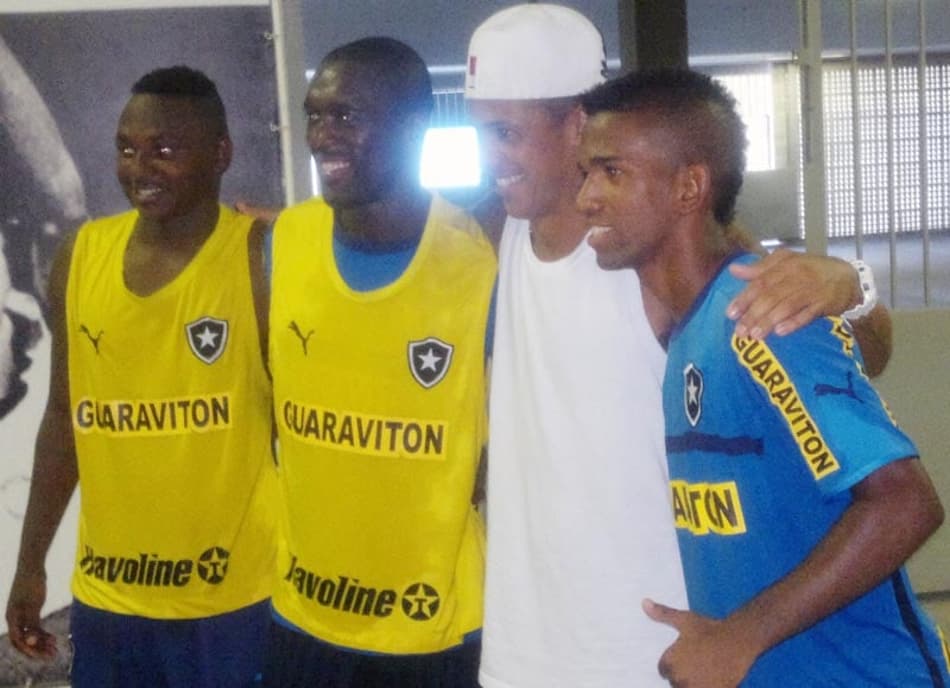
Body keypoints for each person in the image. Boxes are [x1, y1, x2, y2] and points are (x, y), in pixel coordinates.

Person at [464, 4, 895, 688]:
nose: (489, 156)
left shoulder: (651, 251)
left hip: (649, 653)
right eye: (480, 130)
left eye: (506, 133)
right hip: (523, 653)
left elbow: (860, 347)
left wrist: (850, 282)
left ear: (577, 124)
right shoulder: (502, 228)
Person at [577, 66, 950, 687]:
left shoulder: (762, 319)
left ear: (689, 187)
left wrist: (740, 638)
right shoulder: (694, 329)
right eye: (585, 173)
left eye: (612, 172)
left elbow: (906, 503)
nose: (588, 196)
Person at [5, 66, 277, 687]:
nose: (139, 167)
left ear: (221, 154)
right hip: (111, 603)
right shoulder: (81, 255)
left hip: (232, 604)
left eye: (164, 150)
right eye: (127, 149)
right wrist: (30, 564)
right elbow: (63, 418)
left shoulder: (259, 257)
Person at [262, 37, 495, 687]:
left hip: (433, 630)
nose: (323, 135)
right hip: (301, 618)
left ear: (416, 127)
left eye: (348, 117)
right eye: (316, 114)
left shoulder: (483, 260)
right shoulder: (282, 243)